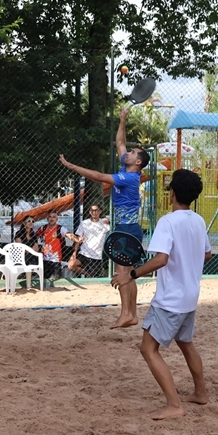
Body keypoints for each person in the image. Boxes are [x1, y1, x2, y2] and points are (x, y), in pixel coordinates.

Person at [111, 169, 212, 421]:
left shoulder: (168, 222)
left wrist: (130, 275)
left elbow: (161, 259)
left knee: (148, 349)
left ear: (172, 194)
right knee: (186, 344)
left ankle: (174, 404)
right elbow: (207, 254)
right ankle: (201, 393)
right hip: (190, 297)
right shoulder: (197, 220)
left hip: (170, 299)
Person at [59, 106, 149, 328]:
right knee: (126, 273)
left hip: (126, 229)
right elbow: (120, 143)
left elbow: (98, 176)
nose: (127, 152)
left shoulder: (127, 178)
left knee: (121, 273)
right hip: (128, 228)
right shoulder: (126, 170)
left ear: (137, 162)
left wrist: (71, 166)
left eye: (133, 153)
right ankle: (132, 313)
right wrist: (122, 119)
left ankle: (126, 313)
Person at [69, 204, 110, 277]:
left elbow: (114, 224)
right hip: (84, 253)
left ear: (100, 211)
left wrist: (108, 221)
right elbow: (78, 238)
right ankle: (88, 275)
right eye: (92, 210)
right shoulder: (84, 223)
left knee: (96, 278)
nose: (94, 212)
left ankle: (92, 277)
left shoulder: (104, 224)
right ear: (89, 212)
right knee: (71, 265)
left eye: (96, 210)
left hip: (97, 255)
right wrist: (74, 253)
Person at [36, 210, 69, 281]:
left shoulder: (60, 229)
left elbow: (68, 234)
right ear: (47, 218)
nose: (52, 218)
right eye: (50, 217)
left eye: (54, 217)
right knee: (43, 278)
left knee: (54, 278)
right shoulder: (43, 228)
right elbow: (34, 236)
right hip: (44, 259)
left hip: (56, 260)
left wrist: (75, 238)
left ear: (57, 219)